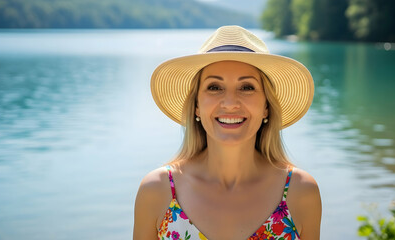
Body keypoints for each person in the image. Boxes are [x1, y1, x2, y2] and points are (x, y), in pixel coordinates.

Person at [133, 25, 321, 240]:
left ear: (266, 106)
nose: (230, 103)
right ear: (196, 105)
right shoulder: (157, 191)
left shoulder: (301, 192)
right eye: (214, 87)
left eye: (247, 87)